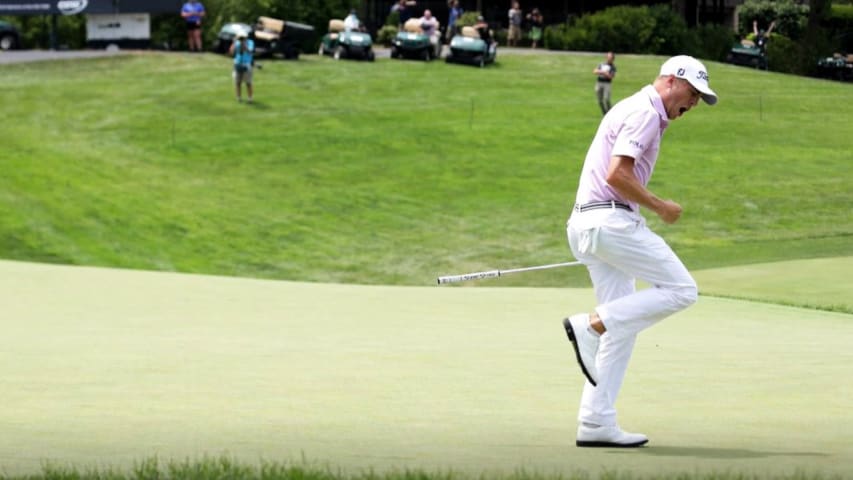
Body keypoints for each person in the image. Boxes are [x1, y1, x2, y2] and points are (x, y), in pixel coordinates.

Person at [563, 55, 717, 448]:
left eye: (701, 98)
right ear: (670, 81)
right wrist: (660, 206)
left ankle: (596, 422)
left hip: (588, 223)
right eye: (693, 92)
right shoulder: (646, 111)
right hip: (610, 222)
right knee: (682, 289)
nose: (694, 103)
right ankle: (590, 325)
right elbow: (617, 174)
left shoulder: (638, 108)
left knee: (623, 327)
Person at [228, 31, 254, 103]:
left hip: (247, 64)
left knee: (248, 82)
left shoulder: (250, 42)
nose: (242, 39)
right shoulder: (237, 42)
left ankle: (250, 98)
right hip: (237, 63)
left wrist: (244, 44)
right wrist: (234, 42)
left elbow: (250, 51)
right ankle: (238, 97)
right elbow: (231, 52)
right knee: (237, 82)